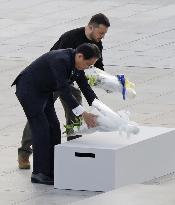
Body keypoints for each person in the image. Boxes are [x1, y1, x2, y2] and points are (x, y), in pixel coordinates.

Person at [18, 13, 110, 169]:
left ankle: (73, 147)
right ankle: (24, 152)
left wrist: (106, 90)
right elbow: (56, 66)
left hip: (71, 78)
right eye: (100, 33)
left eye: (104, 34)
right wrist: (83, 111)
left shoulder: (96, 44)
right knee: (39, 114)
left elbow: (97, 70)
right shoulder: (70, 37)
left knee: (75, 110)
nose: (102, 37)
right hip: (52, 79)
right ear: (90, 27)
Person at [12, 43, 101, 185]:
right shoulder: (61, 60)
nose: (88, 67)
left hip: (44, 91)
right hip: (29, 90)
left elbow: (85, 86)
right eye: (88, 63)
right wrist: (83, 114)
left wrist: (100, 108)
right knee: (41, 129)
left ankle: (52, 169)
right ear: (79, 56)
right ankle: (39, 173)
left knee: (54, 127)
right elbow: (64, 91)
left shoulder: (77, 63)